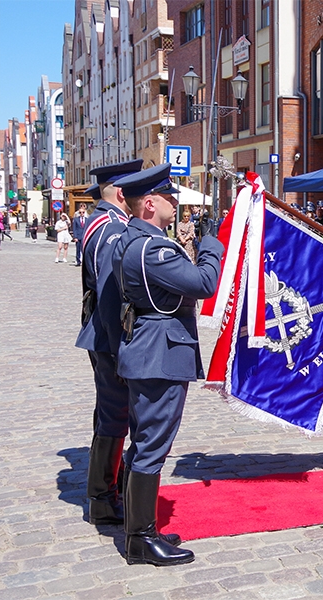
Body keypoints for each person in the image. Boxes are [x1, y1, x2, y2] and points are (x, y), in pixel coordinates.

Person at [111, 163, 224, 566]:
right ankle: (140, 538)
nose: (176, 204)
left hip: (149, 351)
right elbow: (203, 284)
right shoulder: (153, 247)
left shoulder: (134, 240)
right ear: (150, 204)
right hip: (159, 355)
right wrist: (212, 246)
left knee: (144, 439)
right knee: (152, 445)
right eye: (170, 198)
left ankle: (135, 524)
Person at [74, 160, 146, 528]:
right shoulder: (113, 229)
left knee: (111, 411)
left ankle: (105, 491)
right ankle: (104, 497)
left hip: (100, 332)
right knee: (116, 414)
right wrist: (122, 348)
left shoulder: (98, 222)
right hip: (108, 335)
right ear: (122, 194)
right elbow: (110, 292)